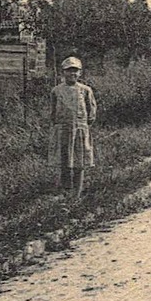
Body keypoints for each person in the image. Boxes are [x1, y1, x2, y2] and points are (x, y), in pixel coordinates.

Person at [49, 56, 96, 201]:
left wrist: (84, 124)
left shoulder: (85, 90)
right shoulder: (56, 90)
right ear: (63, 73)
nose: (72, 74)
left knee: (79, 159)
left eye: (75, 71)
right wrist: (57, 124)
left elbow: (91, 110)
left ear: (80, 73)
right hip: (63, 129)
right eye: (69, 71)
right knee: (65, 159)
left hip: (80, 129)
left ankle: (77, 191)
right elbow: (53, 111)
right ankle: (66, 190)